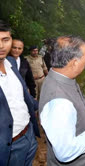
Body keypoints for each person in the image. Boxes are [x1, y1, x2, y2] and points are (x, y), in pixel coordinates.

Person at [39, 35, 85, 165]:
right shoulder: (59, 102)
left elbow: (66, 118)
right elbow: (65, 152)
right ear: (74, 62)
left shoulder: (61, 78)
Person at [0, 20, 40, 166]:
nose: (1, 46)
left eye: (5, 40)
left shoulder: (11, 63)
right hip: (10, 145)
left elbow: (23, 97)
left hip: (29, 135)